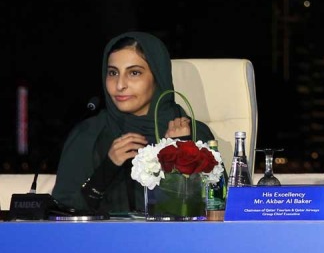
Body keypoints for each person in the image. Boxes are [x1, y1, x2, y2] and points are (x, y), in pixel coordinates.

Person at [52, 32, 214, 213]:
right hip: (104, 240)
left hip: (177, 240)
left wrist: (182, 153)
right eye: (113, 73)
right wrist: (108, 167)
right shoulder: (89, 134)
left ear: (158, 77)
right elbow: (61, 212)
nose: (120, 85)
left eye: (134, 73)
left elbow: (216, 208)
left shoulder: (194, 134)